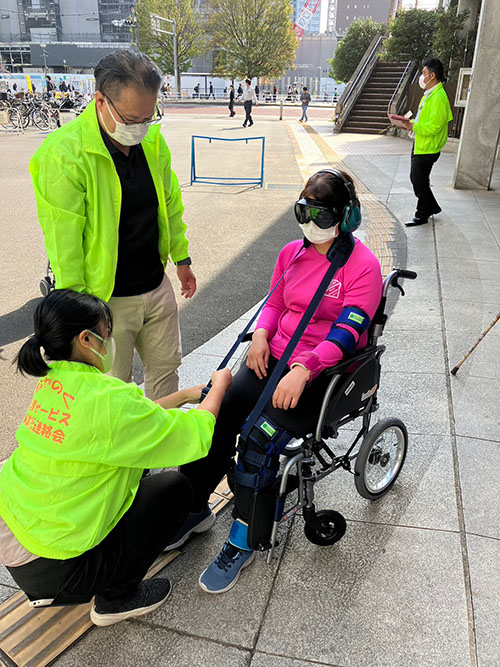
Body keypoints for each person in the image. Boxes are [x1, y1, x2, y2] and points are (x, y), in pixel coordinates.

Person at [179, 169, 383, 594]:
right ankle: (194, 507)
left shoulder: (362, 267)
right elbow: (274, 302)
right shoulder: (291, 253)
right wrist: (259, 335)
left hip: (320, 374)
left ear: (345, 218)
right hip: (274, 359)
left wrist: (305, 368)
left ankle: (245, 540)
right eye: (302, 211)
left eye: (321, 215)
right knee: (216, 413)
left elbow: (347, 331)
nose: (310, 223)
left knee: (258, 439)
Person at [0, 289, 232, 625]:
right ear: (85, 339)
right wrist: (220, 387)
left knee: (136, 474)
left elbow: (124, 423)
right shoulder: (110, 399)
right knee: (172, 488)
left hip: (20, 541)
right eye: (106, 333)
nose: (110, 341)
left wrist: (184, 395)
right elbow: (194, 434)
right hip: (58, 569)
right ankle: (116, 599)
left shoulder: (55, 381)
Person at [30, 50, 197, 402]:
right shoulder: (63, 154)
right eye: (131, 118)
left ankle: (162, 455)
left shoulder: (151, 141)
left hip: (155, 285)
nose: (139, 128)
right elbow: (65, 243)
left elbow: (169, 203)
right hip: (106, 299)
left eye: (148, 117)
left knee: (166, 370)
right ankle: (122, 459)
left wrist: (181, 260)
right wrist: (81, 315)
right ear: (100, 100)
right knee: (112, 388)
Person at [401, 58, 453, 227]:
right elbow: (424, 120)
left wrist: (414, 126)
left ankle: (422, 213)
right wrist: (410, 125)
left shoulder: (438, 97)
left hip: (428, 147)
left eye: (423, 73)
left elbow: (434, 127)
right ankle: (431, 207)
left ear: (431, 75)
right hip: (421, 144)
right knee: (417, 179)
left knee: (418, 180)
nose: (421, 77)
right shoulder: (430, 95)